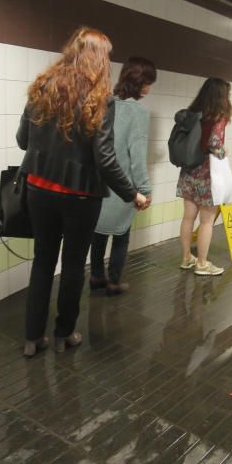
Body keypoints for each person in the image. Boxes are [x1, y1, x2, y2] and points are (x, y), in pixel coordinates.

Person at [17, 27, 150, 358]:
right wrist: (131, 193)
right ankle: (64, 334)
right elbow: (104, 159)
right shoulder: (100, 99)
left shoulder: (41, 88)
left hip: (38, 190)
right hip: (80, 197)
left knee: (43, 261)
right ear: (99, 59)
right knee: (74, 266)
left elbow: (23, 140)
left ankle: (33, 338)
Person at [89, 56, 157, 296]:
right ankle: (114, 282)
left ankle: (97, 277)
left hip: (99, 182)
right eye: (149, 81)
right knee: (121, 235)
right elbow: (137, 155)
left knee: (98, 232)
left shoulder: (106, 103)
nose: (150, 87)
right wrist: (144, 190)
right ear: (141, 82)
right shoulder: (138, 112)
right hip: (123, 184)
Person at [177, 77, 232, 276]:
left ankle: (186, 258)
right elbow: (214, 143)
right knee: (207, 221)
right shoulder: (219, 115)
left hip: (189, 171)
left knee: (188, 218)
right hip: (209, 175)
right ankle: (201, 263)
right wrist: (224, 152)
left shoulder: (192, 113)